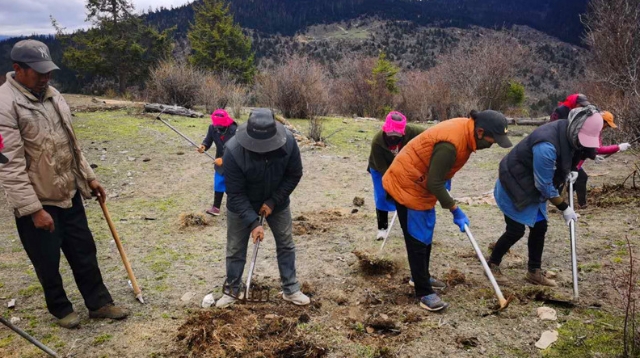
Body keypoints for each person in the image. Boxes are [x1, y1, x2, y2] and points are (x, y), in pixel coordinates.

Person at [0, 40, 129, 328]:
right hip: (38, 200)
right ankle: (60, 309)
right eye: (38, 72)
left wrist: (89, 177)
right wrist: (33, 210)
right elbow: (9, 167)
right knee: (47, 261)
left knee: (84, 250)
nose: (45, 77)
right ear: (17, 69)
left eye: (48, 71)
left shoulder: (54, 95)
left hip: (68, 192)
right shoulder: (5, 105)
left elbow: (71, 145)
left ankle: (98, 303)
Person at [383, 110, 513, 311]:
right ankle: (423, 291)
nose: (492, 144)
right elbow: (435, 182)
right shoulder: (451, 145)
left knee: (425, 234)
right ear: (479, 132)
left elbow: (438, 172)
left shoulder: (465, 131)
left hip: (421, 182)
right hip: (408, 183)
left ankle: (421, 277)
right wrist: (454, 209)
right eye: (493, 139)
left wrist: (445, 179)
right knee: (417, 238)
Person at [489, 105, 603, 287]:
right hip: (514, 185)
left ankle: (534, 271)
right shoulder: (546, 145)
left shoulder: (568, 132)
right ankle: (492, 264)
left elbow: (575, 152)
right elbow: (543, 184)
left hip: (532, 187)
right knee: (515, 230)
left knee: (540, 226)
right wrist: (564, 207)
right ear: (575, 128)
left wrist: (573, 170)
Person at [216, 108, 310, 308]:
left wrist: (273, 201)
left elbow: (294, 174)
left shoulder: (289, 142)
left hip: (277, 201)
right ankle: (232, 290)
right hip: (241, 204)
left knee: (286, 244)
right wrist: (253, 223)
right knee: (235, 248)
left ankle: (290, 289)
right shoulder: (232, 150)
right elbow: (235, 193)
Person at [367, 111, 423, 241]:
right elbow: (384, 171)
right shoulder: (377, 142)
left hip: (402, 165)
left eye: (396, 136)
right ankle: (382, 228)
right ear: (385, 130)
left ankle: (409, 227)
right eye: (390, 135)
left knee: (408, 195)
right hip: (379, 167)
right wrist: (393, 188)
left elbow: (431, 135)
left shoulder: (412, 131)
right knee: (382, 195)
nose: (393, 138)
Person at [573, 111, 632, 208]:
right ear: (602, 121)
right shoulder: (594, 130)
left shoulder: (588, 126)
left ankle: (569, 197)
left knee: (579, 177)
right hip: (574, 160)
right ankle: (580, 204)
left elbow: (589, 148)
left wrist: (593, 156)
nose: (606, 128)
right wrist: (618, 147)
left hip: (576, 159)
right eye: (607, 125)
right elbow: (597, 148)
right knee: (580, 178)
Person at [197, 109, 238, 216]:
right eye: (216, 124)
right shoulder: (212, 128)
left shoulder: (234, 129)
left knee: (233, 185)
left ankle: (234, 207)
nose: (217, 127)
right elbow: (208, 140)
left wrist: (224, 159)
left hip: (234, 161)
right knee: (219, 183)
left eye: (220, 125)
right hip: (218, 161)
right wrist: (204, 146)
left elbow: (236, 148)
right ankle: (216, 207)